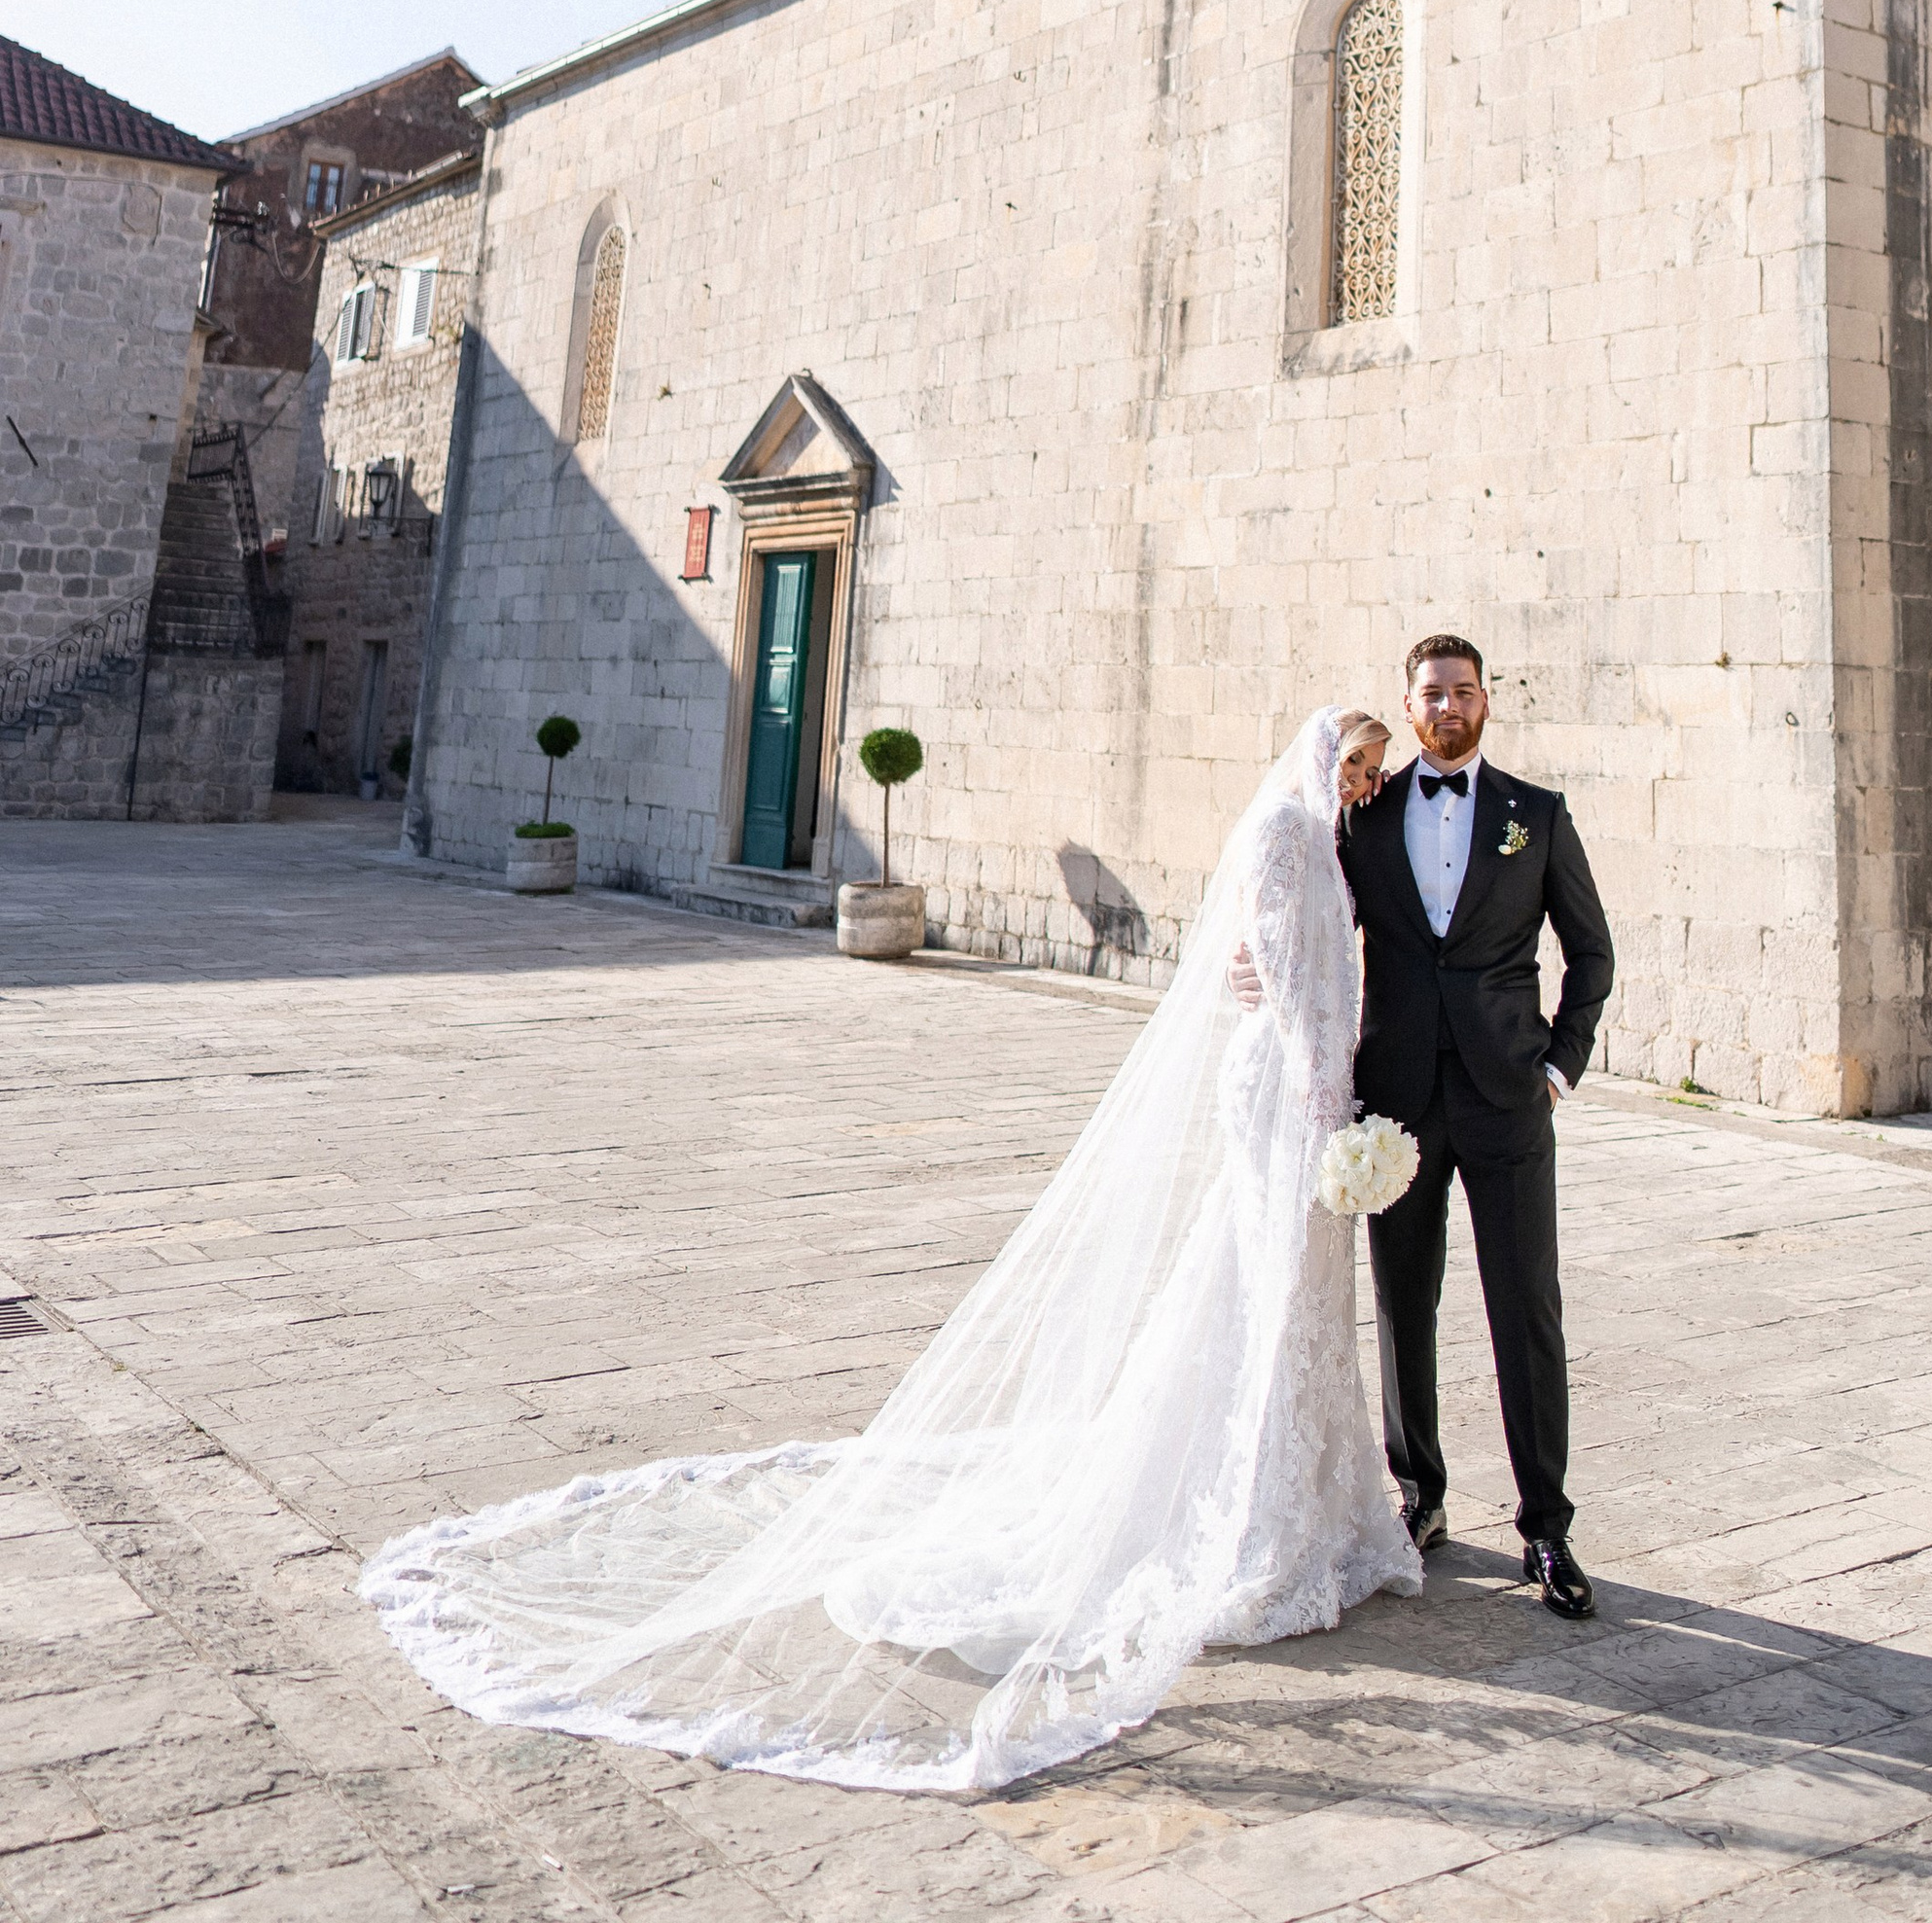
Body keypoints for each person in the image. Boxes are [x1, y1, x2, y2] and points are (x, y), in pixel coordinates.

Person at [360, 708, 1416, 1795]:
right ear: (1317, 752)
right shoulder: (1289, 832)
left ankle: (1298, 1499)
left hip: (1308, 1098)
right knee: (1262, 1292)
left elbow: (1290, 967)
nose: (1362, 778)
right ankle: (1250, 1506)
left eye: (1372, 767)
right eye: (1354, 759)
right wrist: (1327, 1111)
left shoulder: (1322, 831)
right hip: (1294, 1098)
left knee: (1276, 1299)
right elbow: (1291, 986)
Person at [1341, 633, 1614, 1620]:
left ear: (1486, 699)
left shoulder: (1534, 816)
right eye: (1431, 693)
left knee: (1525, 1309)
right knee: (1401, 1303)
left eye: (1462, 690)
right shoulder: (1361, 820)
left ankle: (1545, 1527)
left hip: (1506, 1099)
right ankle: (1418, 1496)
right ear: (1406, 705)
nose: (1448, 705)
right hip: (1399, 1102)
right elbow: (1313, 929)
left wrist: (1557, 1066)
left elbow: (1592, 951)